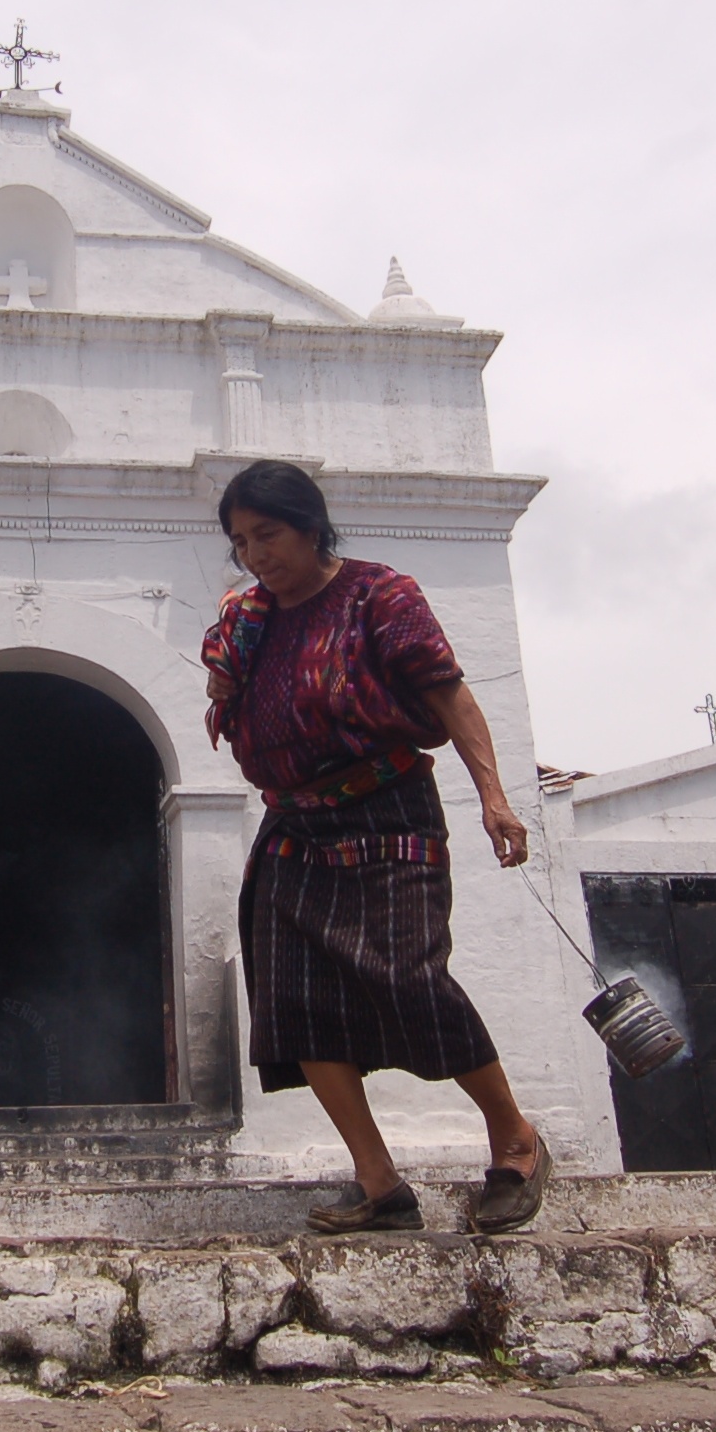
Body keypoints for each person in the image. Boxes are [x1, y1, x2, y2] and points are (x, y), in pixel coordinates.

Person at [199, 459, 549, 1234]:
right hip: (291, 825)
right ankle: (379, 1183)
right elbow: (229, 695)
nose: (257, 555)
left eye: (269, 534)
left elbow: (448, 693)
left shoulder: (378, 595)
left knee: (408, 977)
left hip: (385, 807)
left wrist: (494, 798)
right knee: (294, 1003)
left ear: (310, 523)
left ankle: (516, 1138)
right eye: (241, 541)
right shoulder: (249, 619)